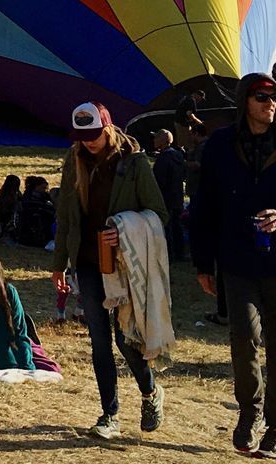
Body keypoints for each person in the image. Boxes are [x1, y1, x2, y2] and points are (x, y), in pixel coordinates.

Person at [52, 102, 168, 440]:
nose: (88, 142)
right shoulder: (73, 162)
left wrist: (126, 227)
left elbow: (160, 212)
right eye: (81, 136)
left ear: (107, 127)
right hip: (87, 263)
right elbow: (65, 219)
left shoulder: (133, 163)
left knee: (125, 336)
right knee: (99, 341)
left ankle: (149, 393)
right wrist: (59, 265)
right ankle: (109, 414)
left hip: (124, 264)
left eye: (93, 135)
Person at [191, 72, 276, 456]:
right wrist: (202, 263)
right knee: (244, 338)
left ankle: (275, 426)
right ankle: (250, 412)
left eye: (275, 97)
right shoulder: (221, 145)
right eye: (262, 96)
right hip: (237, 260)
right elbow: (204, 205)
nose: (270, 103)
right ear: (245, 101)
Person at [150, 129, 187, 262]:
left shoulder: (163, 159)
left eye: (156, 138)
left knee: (167, 226)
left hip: (165, 197)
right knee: (177, 226)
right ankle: (180, 253)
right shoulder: (178, 156)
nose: (153, 140)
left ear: (163, 141)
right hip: (177, 196)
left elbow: (159, 181)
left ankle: (169, 254)